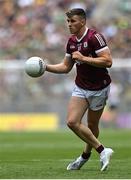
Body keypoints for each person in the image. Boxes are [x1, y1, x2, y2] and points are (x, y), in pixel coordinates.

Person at [45, 8, 114, 171]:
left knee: (92, 126)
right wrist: (45, 67)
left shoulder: (94, 37)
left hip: (99, 87)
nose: (69, 24)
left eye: (73, 21)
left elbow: (108, 61)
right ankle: (103, 150)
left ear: (83, 21)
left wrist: (83, 58)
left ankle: (84, 156)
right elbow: (65, 67)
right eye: (68, 21)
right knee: (71, 122)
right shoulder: (71, 42)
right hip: (81, 86)